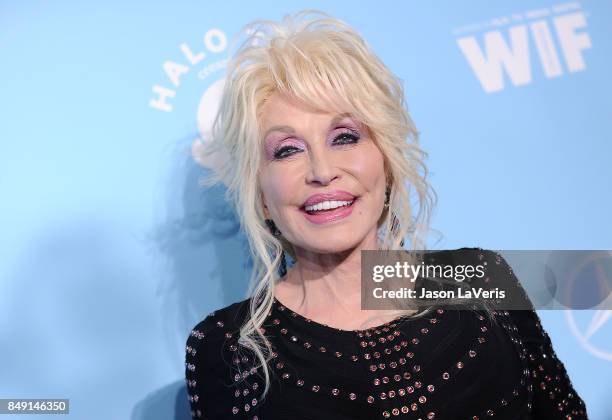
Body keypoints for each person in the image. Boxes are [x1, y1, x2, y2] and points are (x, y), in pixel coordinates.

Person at [184, 10, 588, 419]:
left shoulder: (480, 277)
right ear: (261, 193)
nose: (322, 171)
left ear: (386, 161)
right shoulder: (226, 346)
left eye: (345, 137)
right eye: (287, 150)